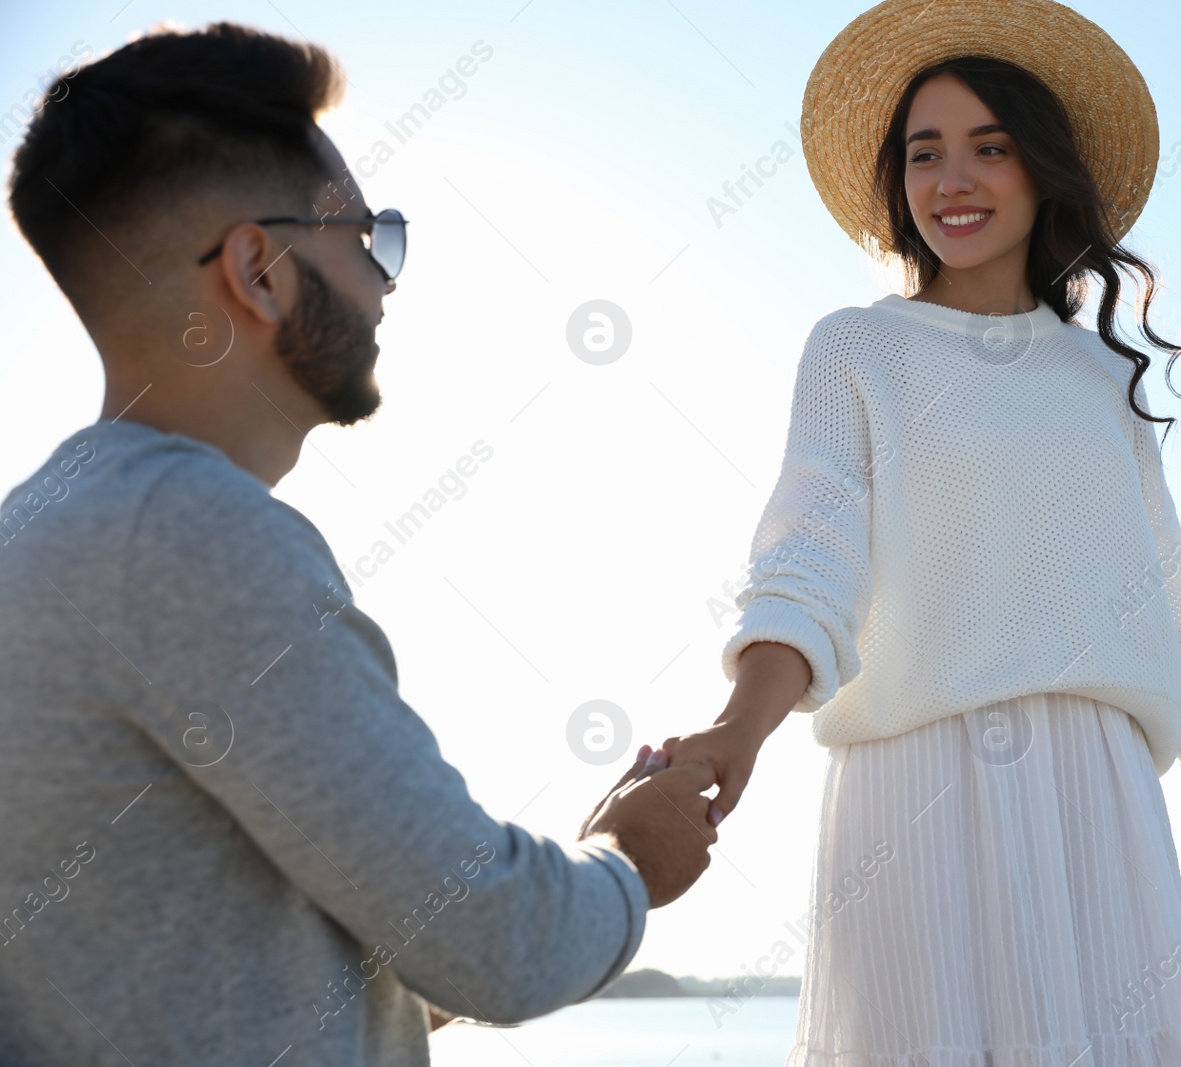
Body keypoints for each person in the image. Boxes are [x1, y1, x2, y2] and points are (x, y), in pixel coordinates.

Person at [659, 1, 1181, 1063]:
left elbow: (1162, 611)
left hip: (1098, 800)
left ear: (1042, 172)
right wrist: (740, 727)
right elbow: (808, 560)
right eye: (925, 153)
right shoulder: (856, 350)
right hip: (915, 797)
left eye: (989, 148)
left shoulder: (1100, 381)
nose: (951, 179)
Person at [0, 22, 716, 1066]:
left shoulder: (43, 528)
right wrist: (629, 860)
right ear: (258, 268)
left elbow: (210, 975)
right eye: (366, 237)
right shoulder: (194, 535)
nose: (387, 282)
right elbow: (497, 943)